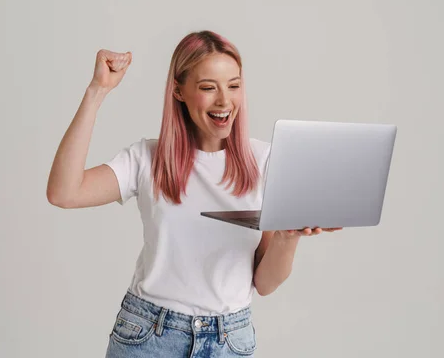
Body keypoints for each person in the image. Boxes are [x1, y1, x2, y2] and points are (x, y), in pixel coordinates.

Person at [46, 30, 342, 357]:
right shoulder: (147, 159)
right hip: (149, 336)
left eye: (233, 85)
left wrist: (289, 237)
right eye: (207, 88)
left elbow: (266, 284)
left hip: (229, 340)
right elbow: (64, 192)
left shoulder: (265, 161)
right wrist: (97, 91)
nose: (224, 101)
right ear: (178, 90)